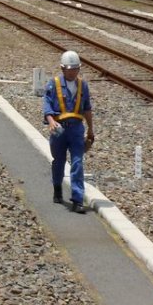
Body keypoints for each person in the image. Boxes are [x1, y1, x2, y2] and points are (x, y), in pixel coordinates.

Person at [43, 50, 95, 214]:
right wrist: (51, 121)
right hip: (59, 128)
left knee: (77, 163)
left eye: (76, 69)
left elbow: (87, 108)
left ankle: (77, 199)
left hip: (76, 128)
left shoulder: (82, 85)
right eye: (70, 69)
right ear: (63, 69)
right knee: (58, 160)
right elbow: (47, 106)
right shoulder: (53, 84)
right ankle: (57, 187)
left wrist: (91, 130)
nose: (73, 72)